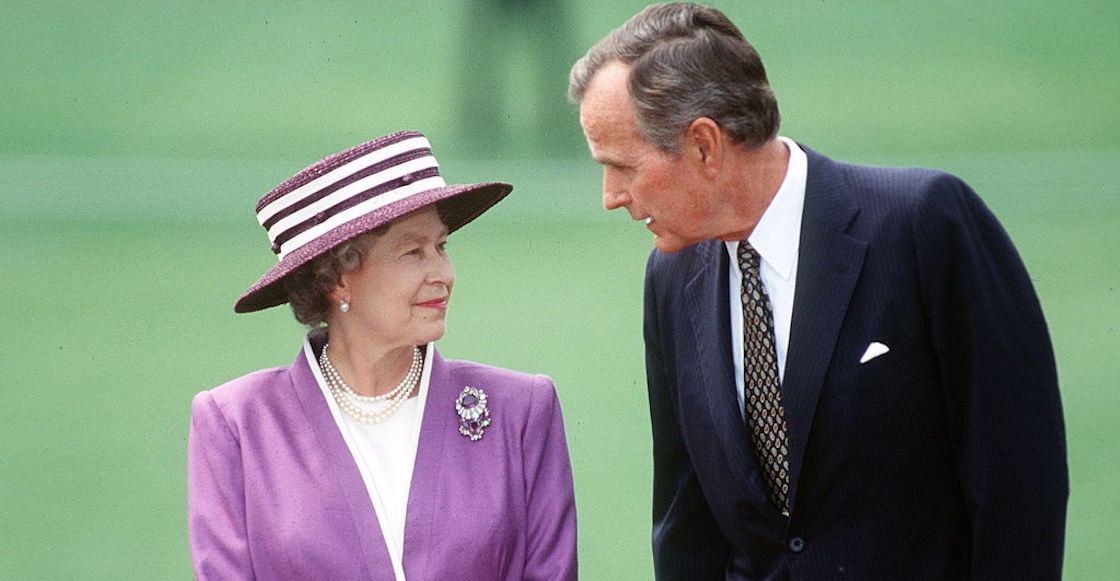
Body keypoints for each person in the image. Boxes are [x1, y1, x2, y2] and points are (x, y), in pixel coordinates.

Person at [568, 3, 1067, 580]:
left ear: (704, 145)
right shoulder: (671, 277)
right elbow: (687, 529)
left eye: (623, 167)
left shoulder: (924, 226)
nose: (611, 196)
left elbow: (1019, 491)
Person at [187, 131, 578, 580]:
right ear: (336, 278)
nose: (443, 273)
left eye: (441, 246)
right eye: (413, 252)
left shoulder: (521, 409)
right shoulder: (237, 422)